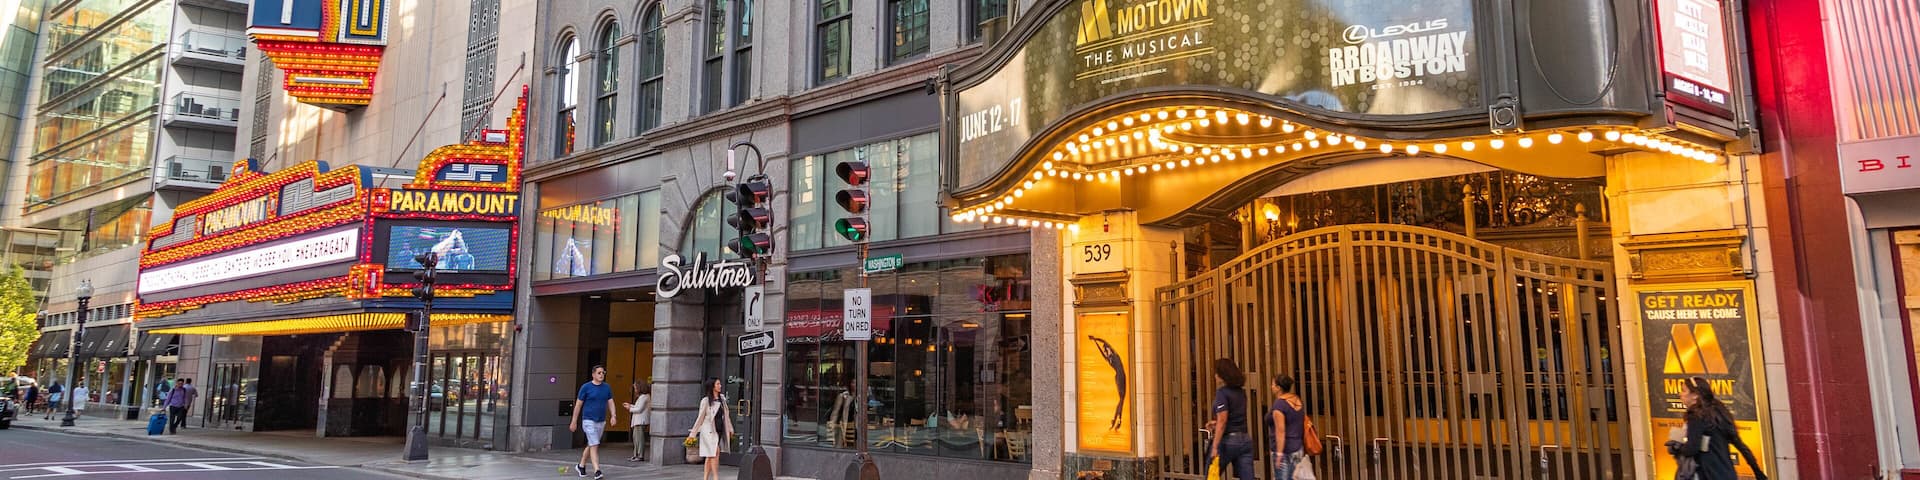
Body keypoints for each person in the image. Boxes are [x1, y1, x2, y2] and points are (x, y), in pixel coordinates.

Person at [1667, 377, 1767, 480]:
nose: (1680, 394)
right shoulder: (1720, 411)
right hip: (1727, 472)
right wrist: (1757, 471)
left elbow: (1692, 448)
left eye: (1684, 390)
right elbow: (1740, 445)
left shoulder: (1696, 415)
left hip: (1707, 473)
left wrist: (1676, 448)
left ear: (1695, 395)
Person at [1208, 358, 1254, 480]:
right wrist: (1216, 423)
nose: (1215, 376)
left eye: (1216, 373)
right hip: (1245, 440)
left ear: (1223, 375)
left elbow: (1223, 421)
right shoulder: (1241, 392)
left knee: (1211, 474)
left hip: (1228, 441)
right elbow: (1234, 416)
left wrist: (1214, 447)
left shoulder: (1222, 393)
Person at [570, 366, 616, 480]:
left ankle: (581, 466)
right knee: (594, 444)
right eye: (599, 373)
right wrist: (574, 421)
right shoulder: (586, 387)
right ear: (593, 374)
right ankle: (597, 470)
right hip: (588, 420)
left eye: (603, 373)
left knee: (591, 444)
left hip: (601, 421)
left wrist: (613, 416)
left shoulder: (607, 388)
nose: (601, 375)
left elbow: (611, 402)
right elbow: (578, 405)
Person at [690, 378, 734, 480]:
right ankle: (715, 477)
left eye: (720, 384)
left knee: (710, 455)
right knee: (715, 452)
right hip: (708, 431)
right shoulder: (705, 401)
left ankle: (705, 478)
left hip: (718, 430)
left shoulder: (722, 399)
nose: (720, 386)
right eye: (718, 384)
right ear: (713, 386)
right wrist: (692, 434)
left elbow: (726, 416)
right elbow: (700, 418)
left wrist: (730, 429)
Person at [1268, 375, 1306, 480]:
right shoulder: (1297, 400)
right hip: (1297, 448)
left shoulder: (1279, 405)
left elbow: (1280, 431)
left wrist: (1279, 454)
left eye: (1273, 384)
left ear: (1279, 388)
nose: (1271, 387)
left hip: (1284, 451)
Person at [623, 380, 652, 462]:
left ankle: (640, 455)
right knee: (636, 438)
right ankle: (636, 455)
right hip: (638, 421)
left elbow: (639, 409)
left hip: (641, 421)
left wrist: (629, 408)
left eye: (636, 387)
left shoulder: (644, 397)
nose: (635, 389)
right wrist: (631, 406)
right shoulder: (644, 396)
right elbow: (637, 407)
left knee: (639, 439)